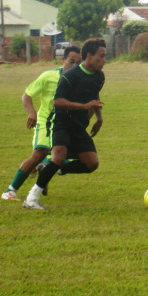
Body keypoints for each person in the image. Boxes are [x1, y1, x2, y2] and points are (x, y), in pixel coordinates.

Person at [23, 38, 107, 210]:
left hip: (77, 125)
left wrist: (99, 118)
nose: (104, 60)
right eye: (101, 56)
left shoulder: (99, 76)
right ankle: (32, 198)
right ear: (89, 56)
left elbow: (94, 96)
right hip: (60, 121)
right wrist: (84, 107)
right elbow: (58, 101)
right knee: (59, 157)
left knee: (92, 164)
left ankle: (51, 168)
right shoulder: (70, 76)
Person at [1, 45, 81, 201]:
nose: (74, 66)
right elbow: (27, 95)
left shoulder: (80, 80)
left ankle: (43, 170)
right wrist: (32, 112)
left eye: (78, 63)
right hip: (46, 120)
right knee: (39, 154)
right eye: (71, 61)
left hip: (65, 123)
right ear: (63, 60)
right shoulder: (48, 76)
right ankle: (10, 191)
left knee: (65, 157)